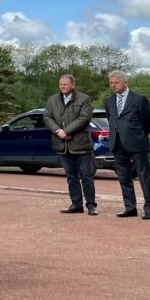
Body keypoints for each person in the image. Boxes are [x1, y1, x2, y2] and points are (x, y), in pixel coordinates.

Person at [105, 70, 150, 219]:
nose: (113, 85)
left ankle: (149, 209)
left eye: (117, 82)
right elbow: (111, 119)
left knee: (144, 176)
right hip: (117, 143)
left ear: (125, 82)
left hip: (137, 143)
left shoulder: (139, 99)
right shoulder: (109, 101)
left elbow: (148, 121)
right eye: (111, 83)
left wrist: (137, 134)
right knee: (123, 177)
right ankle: (130, 207)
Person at [44, 74, 97, 216]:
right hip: (62, 145)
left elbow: (84, 118)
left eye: (65, 84)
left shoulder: (84, 99)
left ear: (73, 85)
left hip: (81, 145)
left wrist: (67, 131)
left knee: (86, 176)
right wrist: (58, 132)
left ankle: (91, 205)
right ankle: (76, 204)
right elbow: (47, 117)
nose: (62, 87)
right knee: (71, 176)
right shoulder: (52, 100)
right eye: (60, 84)